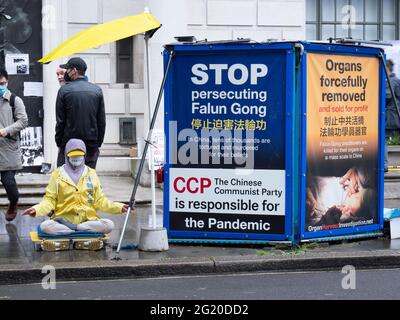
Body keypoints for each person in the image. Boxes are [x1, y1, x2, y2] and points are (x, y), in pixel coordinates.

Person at [23, 139, 129, 250]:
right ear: (66, 155)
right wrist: (36, 209)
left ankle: (71, 235)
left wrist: (120, 207)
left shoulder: (91, 173)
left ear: (84, 155)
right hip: (63, 221)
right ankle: (81, 237)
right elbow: (49, 199)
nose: (76, 158)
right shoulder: (57, 174)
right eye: (73, 155)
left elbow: (100, 200)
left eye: (79, 155)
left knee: (109, 225)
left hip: (87, 222)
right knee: (45, 226)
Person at [55, 57, 106, 169]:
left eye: (68, 70)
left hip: (69, 144)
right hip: (91, 144)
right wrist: (98, 143)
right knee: (88, 178)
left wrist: (59, 143)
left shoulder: (64, 91)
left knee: (66, 178)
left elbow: (60, 122)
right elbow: (101, 121)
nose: (66, 73)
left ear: (74, 71)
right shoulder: (97, 90)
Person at [0, 68, 28, 222]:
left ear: (7, 81)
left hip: (8, 148)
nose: (0, 86)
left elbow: (24, 121)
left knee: (8, 182)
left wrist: (7, 130)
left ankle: (13, 202)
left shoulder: (14, 100)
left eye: (2, 83)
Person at [385, 59, 400, 172]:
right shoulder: (395, 80)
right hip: (394, 115)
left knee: (383, 139)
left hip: (391, 117)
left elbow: (387, 97)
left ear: (387, 68)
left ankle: (385, 165)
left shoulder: (391, 81)